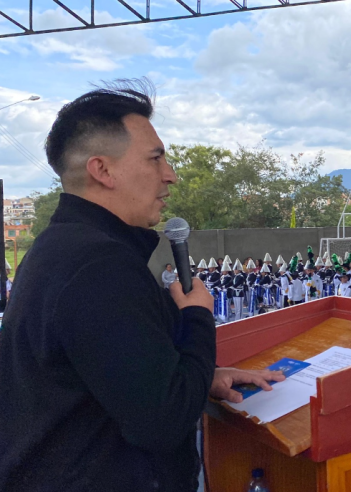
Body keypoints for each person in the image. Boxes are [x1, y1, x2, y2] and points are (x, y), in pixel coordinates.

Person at [0, 81, 284, 492]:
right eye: (155, 159)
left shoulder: (58, 248)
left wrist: (203, 376)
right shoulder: (99, 265)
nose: (170, 176)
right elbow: (163, 421)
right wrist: (197, 315)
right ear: (103, 170)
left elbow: (106, 377)